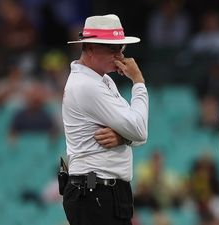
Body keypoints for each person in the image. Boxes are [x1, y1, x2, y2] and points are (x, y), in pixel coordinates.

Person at [62, 14, 149, 225]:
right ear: (90, 47)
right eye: (112, 48)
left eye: (121, 48)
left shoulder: (103, 81)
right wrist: (138, 81)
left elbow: (136, 134)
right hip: (95, 190)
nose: (119, 55)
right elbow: (140, 130)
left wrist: (123, 138)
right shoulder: (87, 85)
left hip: (104, 191)